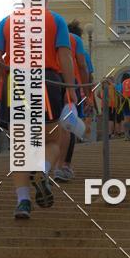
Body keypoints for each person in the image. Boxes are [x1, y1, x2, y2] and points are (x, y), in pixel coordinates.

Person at [0, 0, 76, 220]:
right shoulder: (55, 19)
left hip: (16, 79)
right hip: (47, 80)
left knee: (20, 144)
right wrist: (71, 89)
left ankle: (23, 201)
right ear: (45, 1)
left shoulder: (8, 20)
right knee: (52, 139)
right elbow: (65, 55)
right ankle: (44, 169)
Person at [53, 23, 89, 181]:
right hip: (68, 82)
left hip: (48, 79)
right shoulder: (74, 39)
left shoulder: (48, 36)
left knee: (49, 123)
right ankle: (62, 166)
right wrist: (87, 92)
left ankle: (44, 165)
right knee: (67, 123)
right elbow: (82, 65)